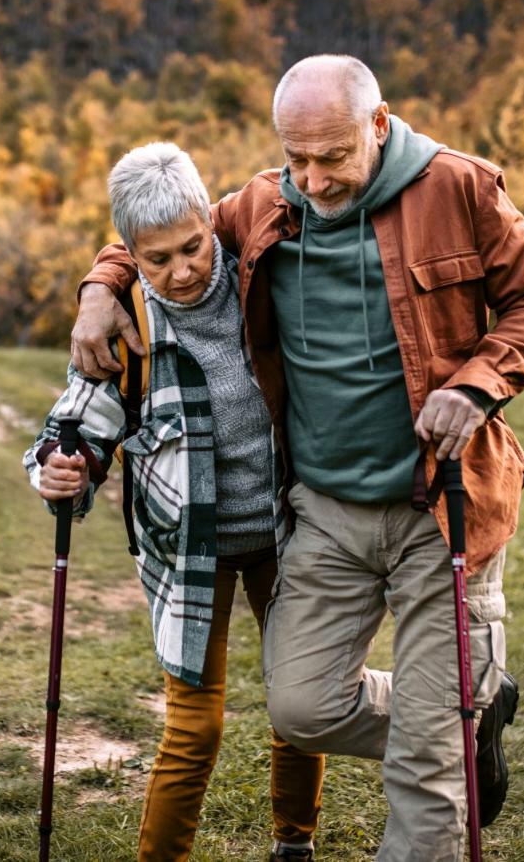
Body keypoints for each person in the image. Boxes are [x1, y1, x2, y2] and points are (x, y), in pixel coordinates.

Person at [70, 55, 524, 861]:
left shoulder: (461, 188)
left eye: (330, 157)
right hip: (327, 516)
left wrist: (476, 385)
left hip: (442, 503)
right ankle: (461, 714)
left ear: (377, 126)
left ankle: (446, 732)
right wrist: (100, 284)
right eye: (295, 157)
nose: (312, 178)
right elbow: (166, 236)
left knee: (425, 766)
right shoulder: (269, 203)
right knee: (300, 709)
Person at [24, 142, 324, 862]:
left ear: (208, 222)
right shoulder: (124, 323)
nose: (182, 270)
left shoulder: (259, 274)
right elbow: (75, 425)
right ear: (130, 252)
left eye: (193, 247)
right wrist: (62, 469)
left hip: (287, 530)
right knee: (195, 726)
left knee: (298, 706)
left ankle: (295, 842)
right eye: (156, 259)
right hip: (188, 551)